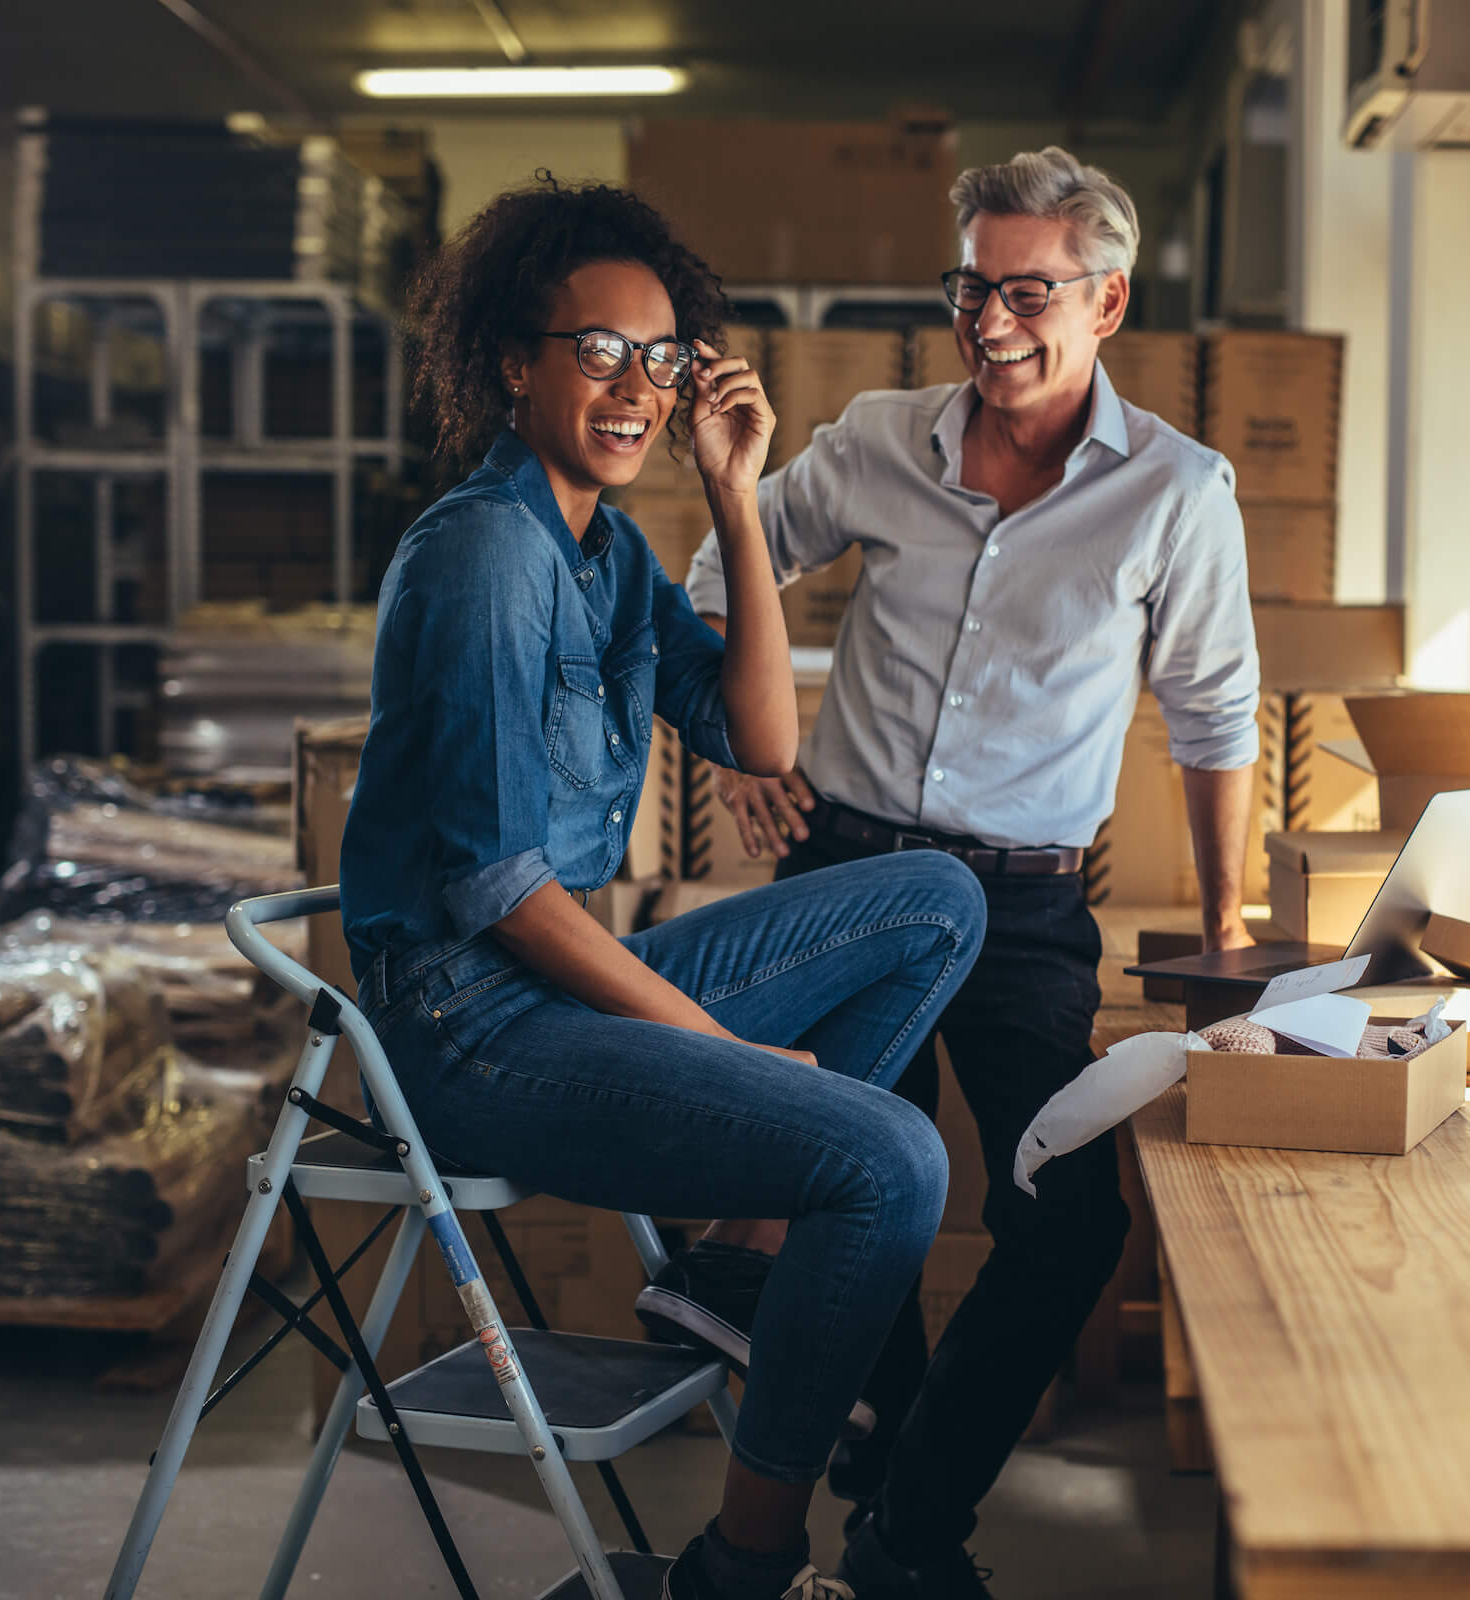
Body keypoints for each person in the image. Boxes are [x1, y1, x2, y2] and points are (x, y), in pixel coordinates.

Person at [339, 176, 988, 1600]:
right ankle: (745, 1571)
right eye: (598, 350)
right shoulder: (484, 556)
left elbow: (760, 738)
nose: (636, 387)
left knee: (935, 896)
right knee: (888, 1161)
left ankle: (737, 1263)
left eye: (664, 356)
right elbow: (503, 893)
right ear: (515, 361)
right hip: (468, 1031)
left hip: (556, 990)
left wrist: (737, 500)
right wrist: (715, 1048)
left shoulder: (606, 550)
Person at [678, 148, 1261, 1598]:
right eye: (970, 289)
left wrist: (1232, 921)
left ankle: (906, 1515)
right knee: (852, 1180)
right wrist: (744, 757)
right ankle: (889, 1487)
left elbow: (1215, 714)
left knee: (1069, 1220)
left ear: (1106, 299)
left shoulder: (1178, 494)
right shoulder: (879, 439)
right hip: (848, 870)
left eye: (1026, 291)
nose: (990, 322)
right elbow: (714, 578)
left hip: (1022, 908)